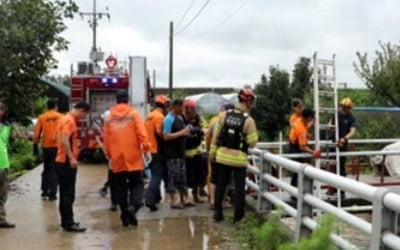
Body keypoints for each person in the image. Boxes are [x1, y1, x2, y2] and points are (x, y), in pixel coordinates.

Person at [103, 90, 151, 227]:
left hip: (117, 158)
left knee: (120, 187)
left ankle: (125, 215)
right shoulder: (133, 114)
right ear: (127, 100)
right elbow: (142, 134)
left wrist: (110, 155)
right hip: (133, 157)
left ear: (116, 100)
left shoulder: (109, 117)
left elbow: (106, 139)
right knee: (137, 184)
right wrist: (147, 149)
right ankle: (133, 208)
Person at [211, 89, 259, 223]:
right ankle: (238, 217)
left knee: (221, 185)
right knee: (239, 188)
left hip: (222, 157)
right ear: (248, 101)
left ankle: (218, 212)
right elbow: (252, 142)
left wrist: (212, 153)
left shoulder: (224, 115)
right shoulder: (248, 120)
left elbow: (216, 136)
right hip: (238, 159)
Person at [55, 101, 90, 232]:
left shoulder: (63, 119)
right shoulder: (69, 121)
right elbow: (65, 139)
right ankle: (69, 223)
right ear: (81, 110)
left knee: (65, 193)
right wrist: (71, 157)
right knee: (68, 194)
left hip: (60, 159)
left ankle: (66, 221)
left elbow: (57, 138)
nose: (84, 117)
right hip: (65, 161)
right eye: (84, 115)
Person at [144, 95, 170, 212]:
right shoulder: (159, 117)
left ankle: (157, 197)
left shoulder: (149, 115)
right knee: (156, 176)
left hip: (149, 150)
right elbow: (161, 134)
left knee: (156, 173)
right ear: (165, 105)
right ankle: (149, 200)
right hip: (157, 150)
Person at [205, 102, 234, 209]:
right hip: (227, 154)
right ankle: (222, 201)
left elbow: (208, 136)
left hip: (215, 153)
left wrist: (209, 150)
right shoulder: (233, 122)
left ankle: (213, 201)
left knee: (214, 178)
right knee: (225, 179)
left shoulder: (215, 120)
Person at [163, 99, 191, 209]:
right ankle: (173, 201)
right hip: (172, 154)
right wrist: (182, 133)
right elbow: (165, 136)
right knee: (173, 177)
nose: (183, 109)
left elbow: (182, 131)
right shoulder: (168, 119)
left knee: (182, 178)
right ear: (176, 106)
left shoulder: (179, 118)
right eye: (182, 107)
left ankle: (184, 199)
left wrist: (186, 132)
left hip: (181, 153)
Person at [33, 99, 63, 201]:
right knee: (55, 170)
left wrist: (35, 146)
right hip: (58, 147)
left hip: (46, 147)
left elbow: (37, 133)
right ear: (55, 106)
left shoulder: (42, 117)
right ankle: (53, 193)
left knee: (46, 169)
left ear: (47, 106)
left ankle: (44, 191)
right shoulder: (61, 117)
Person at [327, 98, 356, 196]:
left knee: (341, 167)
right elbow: (329, 125)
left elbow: (352, 131)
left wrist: (344, 139)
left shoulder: (351, 117)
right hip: (333, 143)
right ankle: (331, 189)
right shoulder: (335, 115)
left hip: (343, 144)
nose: (344, 109)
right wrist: (331, 129)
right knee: (332, 166)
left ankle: (341, 190)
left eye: (347, 108)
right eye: (343, 107)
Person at [183, 100, 207, 204]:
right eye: (190, 109)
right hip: (185, 153)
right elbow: (184, 131)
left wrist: (199, 130)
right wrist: (196, 130)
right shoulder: (182, 118)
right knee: (186, 177)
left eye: (194, 109)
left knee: (198, 175)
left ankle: (196, 195)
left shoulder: (198, 118)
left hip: (197, 151)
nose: (192, 112)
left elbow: (205, 128)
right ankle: (185, 197)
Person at [288, 108, 320, 187]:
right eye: (311, 117)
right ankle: (296, 190)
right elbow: (303, 147)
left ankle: (295, 190)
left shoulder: (300, 120)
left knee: (298, 170)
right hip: (295, 148)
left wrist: (311, 125)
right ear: (308, 117)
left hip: (293, 145)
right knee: (301, 169)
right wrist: (314, 152)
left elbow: (305, 127)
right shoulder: (301, 129)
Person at [0, 103, 15, 228]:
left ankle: (1, 219)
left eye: (1, 110)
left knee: (3, 193)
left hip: (3, 163)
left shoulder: (7, 126)